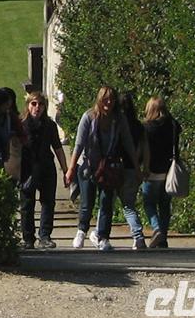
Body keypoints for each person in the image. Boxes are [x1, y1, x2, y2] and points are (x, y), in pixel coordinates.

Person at [65, 85, 140, 252]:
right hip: (88, 166)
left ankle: (103, 237)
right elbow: (79, 144)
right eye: (105, 99)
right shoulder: (88, 117)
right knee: (87, 202)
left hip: (108, 168)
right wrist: (70, 169)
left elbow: (128, 143)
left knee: (106, 203)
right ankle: (81, 231)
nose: (109, 103)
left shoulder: (119, 119)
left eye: (112, 99)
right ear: (99, 100)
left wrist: (137, 167)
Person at [19, 91, 68, 249]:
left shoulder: (49, 125)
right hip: (27, 168)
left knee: (48, 202)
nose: (37, 107)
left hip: (46, 166)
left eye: (40, 104)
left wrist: (66, 170)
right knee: (27, 204)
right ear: (28, 105)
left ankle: (45, 236)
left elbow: (58, 148)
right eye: (33, 104)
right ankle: (28, 238)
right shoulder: (21, 124)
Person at [141, 95, 181, 249]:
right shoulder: (173, 125)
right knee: (165, 205)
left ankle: (156, 228)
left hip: (151, 171)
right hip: (169, 171)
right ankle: (163, 237)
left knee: (149, 203)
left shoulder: (147, 127)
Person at [116, 91, 151, 250]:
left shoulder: (116, 124)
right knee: (129, 204)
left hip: (118, 168)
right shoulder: (138, 126)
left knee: (112, 205)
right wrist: (145, 168)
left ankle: (137, 235)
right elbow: (145, 148)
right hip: (134, 169)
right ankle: (138, 237)